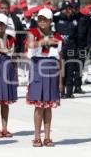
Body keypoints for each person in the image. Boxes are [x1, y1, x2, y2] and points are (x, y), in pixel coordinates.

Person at [26, 8, 63, 147]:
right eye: (40, 18)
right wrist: (44, 41)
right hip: (38, 70)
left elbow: (60, 59)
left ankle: (47, 136)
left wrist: (61, 80)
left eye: (45, 19)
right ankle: (37, 136)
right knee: (39, 106)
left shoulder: (57, 36)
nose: (42, 21)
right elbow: (30, 45)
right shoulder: (33, 33)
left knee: (48, 106)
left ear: (50, 21)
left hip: (52, 71)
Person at [54, 1, 78, 98]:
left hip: (71, 48)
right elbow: (50, 14)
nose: (68, 10)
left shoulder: (75, 20)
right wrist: (59, 10)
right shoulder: (57, 19)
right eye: (65, 8)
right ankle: (61, 91)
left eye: (69, 8)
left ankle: (69, 92)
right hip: (61, 49)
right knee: (61, 70)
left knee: (70, 71)